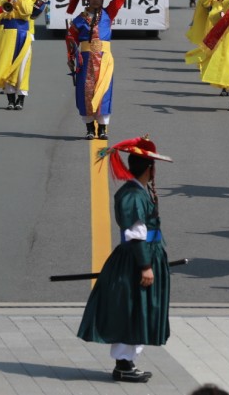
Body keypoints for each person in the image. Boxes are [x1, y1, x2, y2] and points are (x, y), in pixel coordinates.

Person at [77, 136, 173, 384]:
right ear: (149, 169)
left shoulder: (137, 191)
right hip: (136, 261)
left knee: (138, 310)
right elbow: (135, 235)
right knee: (132, 310)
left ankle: (127, 362)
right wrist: (146, 267)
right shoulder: (132, 195)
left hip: (142, 258)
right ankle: (123, 363)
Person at [66, 0, 128, 140]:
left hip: (105, 59)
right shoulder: (79, 19)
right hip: (85, 60)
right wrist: (71, 57)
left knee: (104, 91)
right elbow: (71, 37)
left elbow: (120, 0)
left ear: (102, 0)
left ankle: (102, 128)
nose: (96, 0)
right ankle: (89, 128)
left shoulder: (108, 14)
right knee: (85, 91)